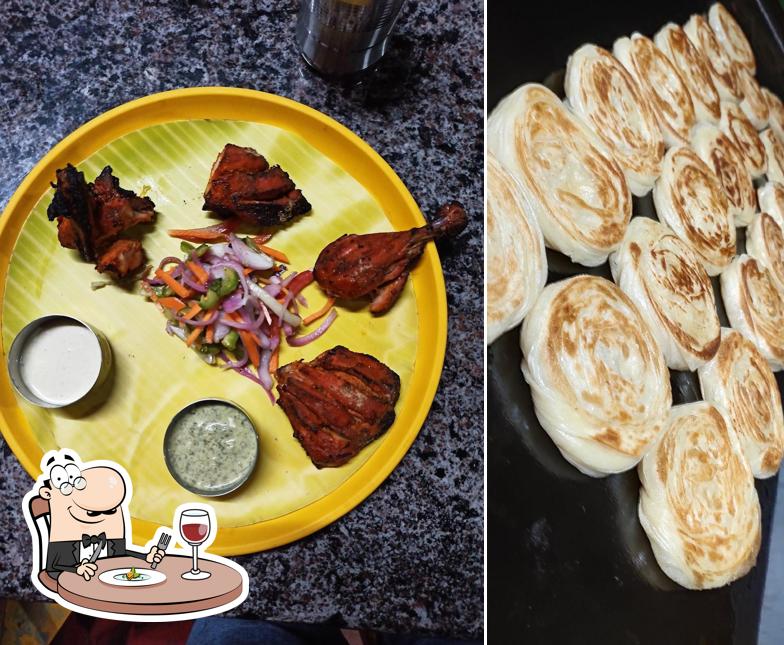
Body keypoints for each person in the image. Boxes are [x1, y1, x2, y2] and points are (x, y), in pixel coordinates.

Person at [38, 453, 165, 580]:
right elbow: (53, 569)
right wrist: (76, 569)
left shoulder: (111, 528)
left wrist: (145, 557)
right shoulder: (65, 533)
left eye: (111, 511)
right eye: (93, 512)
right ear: (47, 493)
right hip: (72, 584)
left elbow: (122, 555)